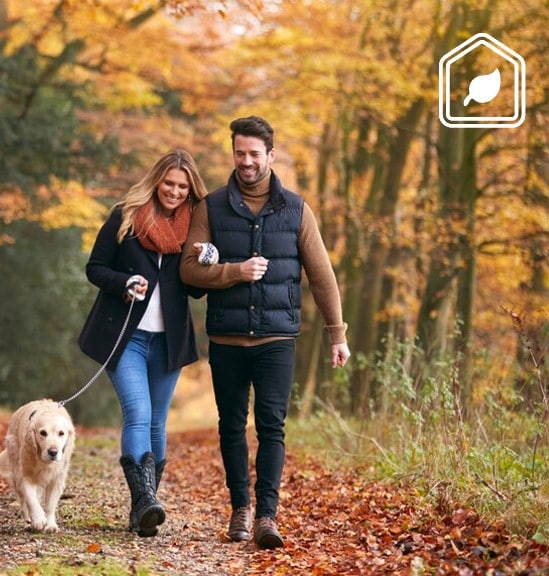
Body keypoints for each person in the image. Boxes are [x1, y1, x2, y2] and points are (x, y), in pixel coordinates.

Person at [179, 116, 350, 549]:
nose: (247, 161)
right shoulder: (211, 208)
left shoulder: (296, 210)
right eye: (240, 153)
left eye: (255, 154)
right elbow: (188, 270)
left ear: (271, 156)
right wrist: (234, 272)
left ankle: (267, 517)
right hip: (226, 340)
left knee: (272, 427)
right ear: (233, 153)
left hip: (276, 340)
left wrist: (337, 334)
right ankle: (240, 509)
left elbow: (322, 276)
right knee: (231, 427)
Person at [78, 148, 208, 538]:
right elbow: (95, 267)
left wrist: (205, 260)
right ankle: (144, 502)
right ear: (156, 180)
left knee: (157, 421)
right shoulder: (126, 216)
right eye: (169, 183)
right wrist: (124, 283)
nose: (174, 191)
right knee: (138, 412)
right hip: (126, 336)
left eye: (182, 186)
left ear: (190, 190)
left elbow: (197, 292)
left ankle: (143, 507)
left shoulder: (196, 228)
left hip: (168, 342)